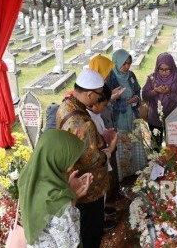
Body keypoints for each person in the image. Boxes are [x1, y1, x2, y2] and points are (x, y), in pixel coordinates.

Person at [56, 68, 118, 248]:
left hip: (71, 175)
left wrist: (98, 138)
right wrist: (109, 149)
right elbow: (93, 159)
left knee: (82, 225)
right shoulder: (83, 122)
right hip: (89, 186)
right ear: (90, 94)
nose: (99, 99)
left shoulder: (66, 105)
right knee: (91, 230)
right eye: (99, 95)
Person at [18, 129, 93, 248]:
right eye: (71, 158)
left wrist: (68, 190)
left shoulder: (27, 178)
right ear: (58, 157)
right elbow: (69, 243)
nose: (73, 165)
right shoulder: (59, 201)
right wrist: (69, 198)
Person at [106, 49, 145, 180]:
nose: (126, 67)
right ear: (116, 62)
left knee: (135, 144)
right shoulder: (110, 78)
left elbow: (138, 92)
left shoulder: (131, 75)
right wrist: (126, 102)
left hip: (132, 116)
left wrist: (136, 100)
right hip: (119, 120)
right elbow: (108, 103)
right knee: (123, 148)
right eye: (123, 63)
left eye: (129, 63)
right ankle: (123, 176)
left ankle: (135, 172)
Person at [86, 84, 118, 231]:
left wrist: (106, 133)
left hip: (102, 157)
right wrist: (107, 141)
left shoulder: (96, 114)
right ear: (94, 103)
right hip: (98, 160)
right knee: (99, 191)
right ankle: (101, 221)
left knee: (103, 189)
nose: (104, 108)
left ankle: (103, 211)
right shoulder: (87, 120)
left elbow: (100, 130)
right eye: (103, 105)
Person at [141, 52, 177, 148]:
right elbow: (144, 95)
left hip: (172, 117)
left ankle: (170, 163)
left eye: (167, 70)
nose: (164, 72)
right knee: (156, 146)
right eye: (161, 69)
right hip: (155, 118)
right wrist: (155, 92)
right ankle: (157, 163)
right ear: (157, 67)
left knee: (173, 148)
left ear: (172, 68)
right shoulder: (152, 78)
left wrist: (169, 93)